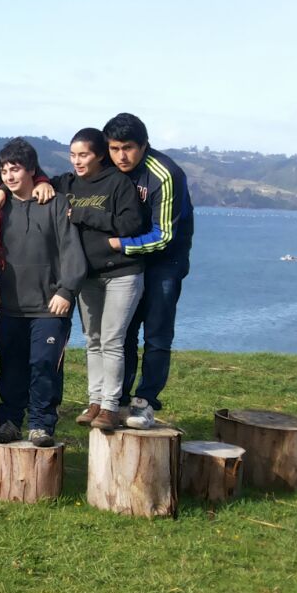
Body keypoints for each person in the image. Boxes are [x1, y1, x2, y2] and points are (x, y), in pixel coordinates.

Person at [0, 138, 87, 447]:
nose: (9, 176)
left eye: (16, 169)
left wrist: (67, 290)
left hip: (49, 307)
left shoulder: (55, 203)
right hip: (10, 306)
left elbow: (72, 253)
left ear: (31, 171)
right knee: (10, 369)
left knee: (43, 366)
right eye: (4, 170)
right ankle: (10, 422)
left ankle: (41, 425)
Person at [103, 113, 194, 430]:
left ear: (144, 146)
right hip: (130, 260)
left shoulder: (164, 174)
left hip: (165, 262)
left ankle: (145, 403)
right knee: (122, 332)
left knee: (156, 335)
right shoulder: (108, 166)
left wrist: (120, 245)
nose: (120, 156)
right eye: (114, 148)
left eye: (127, 148)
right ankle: (118, 400)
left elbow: (164, 236)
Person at [55, 128, 147, 433]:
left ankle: (110, 405)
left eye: (84, 155)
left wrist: (82, 213)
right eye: (73, 155)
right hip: (87, 275)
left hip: (122, 272)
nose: (77, 161)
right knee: (92, 340)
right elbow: (35, 183)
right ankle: (94, 401)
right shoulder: (67, 184)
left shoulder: (118, 183)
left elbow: (131, 224)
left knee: (112, 340)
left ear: (99, 156)